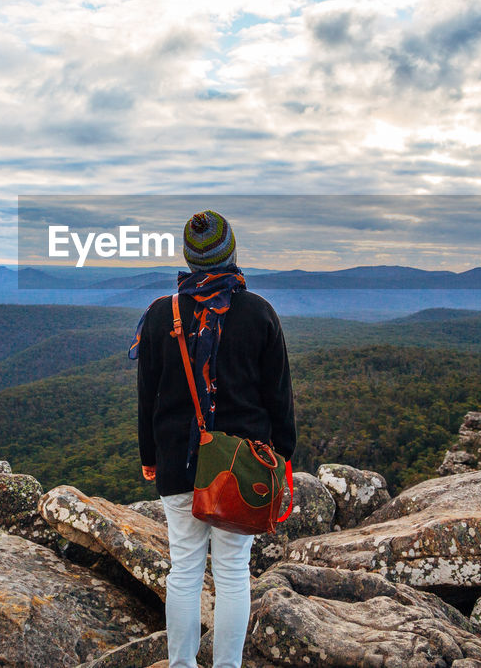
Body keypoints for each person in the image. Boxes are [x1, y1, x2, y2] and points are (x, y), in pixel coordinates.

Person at [129, 210, 296, 668]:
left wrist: (150, 457)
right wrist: (281, 456)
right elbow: (279, 396)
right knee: (231, 573)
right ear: (232, 253)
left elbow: (148, 396)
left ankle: (182, 665)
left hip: (177, 461)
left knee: (183, 570)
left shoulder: (163, 313)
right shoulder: (259, 313)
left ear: (188, 258)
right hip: (240, 467)